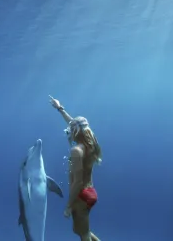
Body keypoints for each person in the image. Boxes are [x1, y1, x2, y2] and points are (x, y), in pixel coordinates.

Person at [49, 95, 102, 241]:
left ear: (75, 132)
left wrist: (68, 205)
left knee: (83, 233)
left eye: (70, 130)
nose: (68, 131)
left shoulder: (76, 151)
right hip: (90, 192)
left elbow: (77, 183)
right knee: (83, 230)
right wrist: (60, 108)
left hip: (81, 195)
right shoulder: (91, 144)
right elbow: (75, 123)